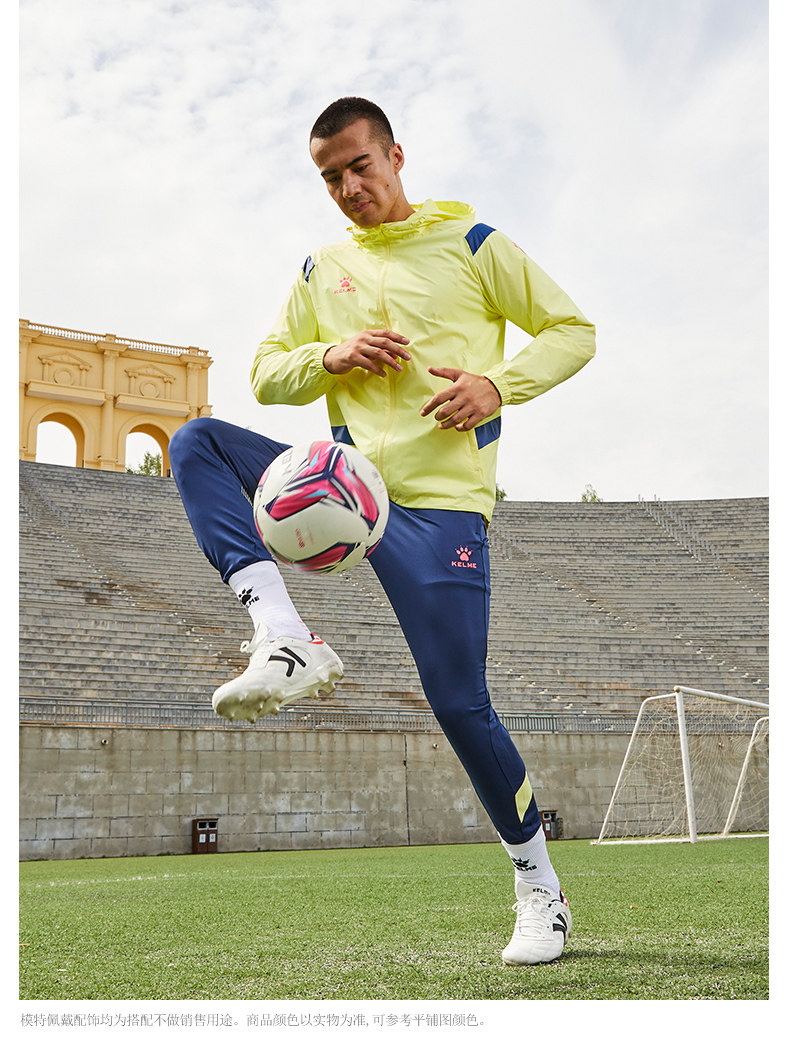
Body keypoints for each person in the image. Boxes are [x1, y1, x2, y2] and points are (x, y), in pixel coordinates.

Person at [169, 96, 595, 966]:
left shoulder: (473, 243)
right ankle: (284, 634)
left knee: (459, 703)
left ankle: (539, 887)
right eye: (330, 177)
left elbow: (573, 330)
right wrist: (329, 355)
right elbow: (265, 372)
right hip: (343, 490)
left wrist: (496, 385)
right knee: (197, 441)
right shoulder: (321, 268)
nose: (348, 187)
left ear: (396, 156)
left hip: (441, 511)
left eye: (360, 166)